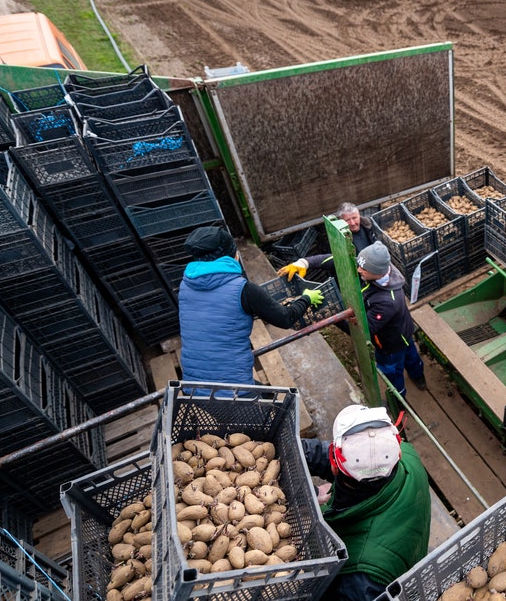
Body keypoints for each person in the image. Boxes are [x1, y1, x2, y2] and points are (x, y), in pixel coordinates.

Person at [301, 404, 430, 600]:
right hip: (405, 536)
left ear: (335, 468)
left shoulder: (361, 580)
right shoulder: (405, 455)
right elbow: (330, 457)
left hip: (379, 568)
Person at [178, 225, 324, 391]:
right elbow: (285, 318)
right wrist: (307, 298)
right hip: (232, 391)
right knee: (272, 412)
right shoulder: (245, 290)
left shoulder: (185, 285)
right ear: (234, 255)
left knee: (266, 395)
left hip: (192, 385)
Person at [285, 240, 427, 394]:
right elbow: (333, 260)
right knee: (411, 355)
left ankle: (401, 393)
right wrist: (304, 262)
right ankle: (417, 373)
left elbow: (363, 330)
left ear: (378, 273)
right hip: (402, 325)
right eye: (359, 265)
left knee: (393, 370)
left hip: (390, 344)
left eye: (363, 269)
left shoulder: (388, 301)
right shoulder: (370, 267)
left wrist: (332, 314)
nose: (358, 270)